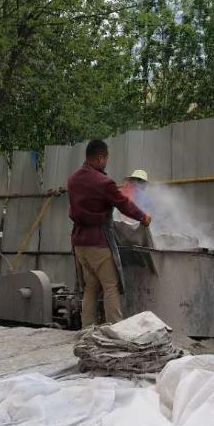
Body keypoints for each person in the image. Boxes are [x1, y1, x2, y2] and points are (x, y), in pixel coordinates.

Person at [68, 140, 151, 327]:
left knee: (90, 287)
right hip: (98, 242)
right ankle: (116, 329)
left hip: (79, 242)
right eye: (105, 159)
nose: (105, 163)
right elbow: (124, 204)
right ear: (100, 158)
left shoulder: (72, 179)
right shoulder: (104, 182)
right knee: (110, 286)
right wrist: (143, 216)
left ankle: (87, 329)